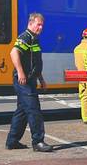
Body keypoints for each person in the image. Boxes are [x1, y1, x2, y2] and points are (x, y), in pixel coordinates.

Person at [5, 12, 54, 152]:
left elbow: (35, 62)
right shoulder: (25, 37)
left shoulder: (34, 39)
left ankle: (12, 141)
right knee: (34, 110)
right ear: (30, 23)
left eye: (42, 25)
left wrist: (41, 78)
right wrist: (20, 72)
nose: (40, 27)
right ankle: (38, 141)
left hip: (30, 79)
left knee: (22, 111)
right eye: (38, 24)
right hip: (24, 80)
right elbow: (13, 53)